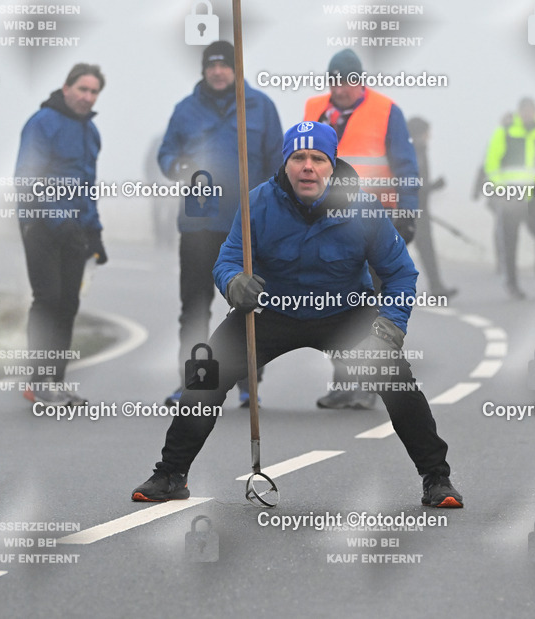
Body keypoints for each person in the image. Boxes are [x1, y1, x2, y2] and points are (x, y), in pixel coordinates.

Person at [131, 121, 462, 508]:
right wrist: (235, 283)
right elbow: (228, 259)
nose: (308, 166)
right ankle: (171, 474)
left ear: (332, 164)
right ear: (286, 163)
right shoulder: (257, 202)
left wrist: (389, 327)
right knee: (207, 373)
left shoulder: (364, 207)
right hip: (271, 310)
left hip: (344, 312)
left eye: (318, 158)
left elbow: (400, 273)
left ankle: (437, 479)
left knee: (398, 381)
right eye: (298, 157)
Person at [158, 41, 283, 408]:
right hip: (198, 225)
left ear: (236, 68)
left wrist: (274, 213)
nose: (218, 71)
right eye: (211, 65)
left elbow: (279, 162)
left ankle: (248, 384)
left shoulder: (260, 107)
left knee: (248, 306)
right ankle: (194, 382)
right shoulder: (185, 110)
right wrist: (181, 167)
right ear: (203, 69)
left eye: (225, 65)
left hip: (246, 226)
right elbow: (166, 154)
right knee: (194, 307)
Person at [305, 49, 421, 409]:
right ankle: (343, 382)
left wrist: (408, 212)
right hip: (324, 225)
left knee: (369, 307)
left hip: (374, 224)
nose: (339, 88)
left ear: (359, 81)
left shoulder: (386, 111)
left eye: (346, 80)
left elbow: (405, 166)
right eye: (333, 80)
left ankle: (368, 385)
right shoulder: (315, 110)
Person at [15, 63, 108, 406]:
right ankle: (37, 381)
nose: (87, 96)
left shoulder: (91, 133)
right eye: (82, 89)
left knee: (69, 303)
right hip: (39, 223)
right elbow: (28, 178)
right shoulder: (42, 124)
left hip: (75, 230)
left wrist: (94, 232)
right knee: (48, 298)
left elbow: (87, 186)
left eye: (94, 91)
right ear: (66, 87)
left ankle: (56, 381)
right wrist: (60, 219)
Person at [483, 98, 535, 299]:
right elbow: (491, 163)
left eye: (531, 111)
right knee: (509, 242)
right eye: (525, 111)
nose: (528, 114)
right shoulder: (505, 132)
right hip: (511, 197)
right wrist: (500, 189)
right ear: (519, 112)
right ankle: (512, 284)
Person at [408, 117, 457, 299]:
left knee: (426, 248)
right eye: (427, 132)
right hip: (409, 211)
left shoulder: (419, 150)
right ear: (418, 133)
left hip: (419, 210)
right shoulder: (410, 152)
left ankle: (437, 287)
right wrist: (434, 186)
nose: (429, 136)